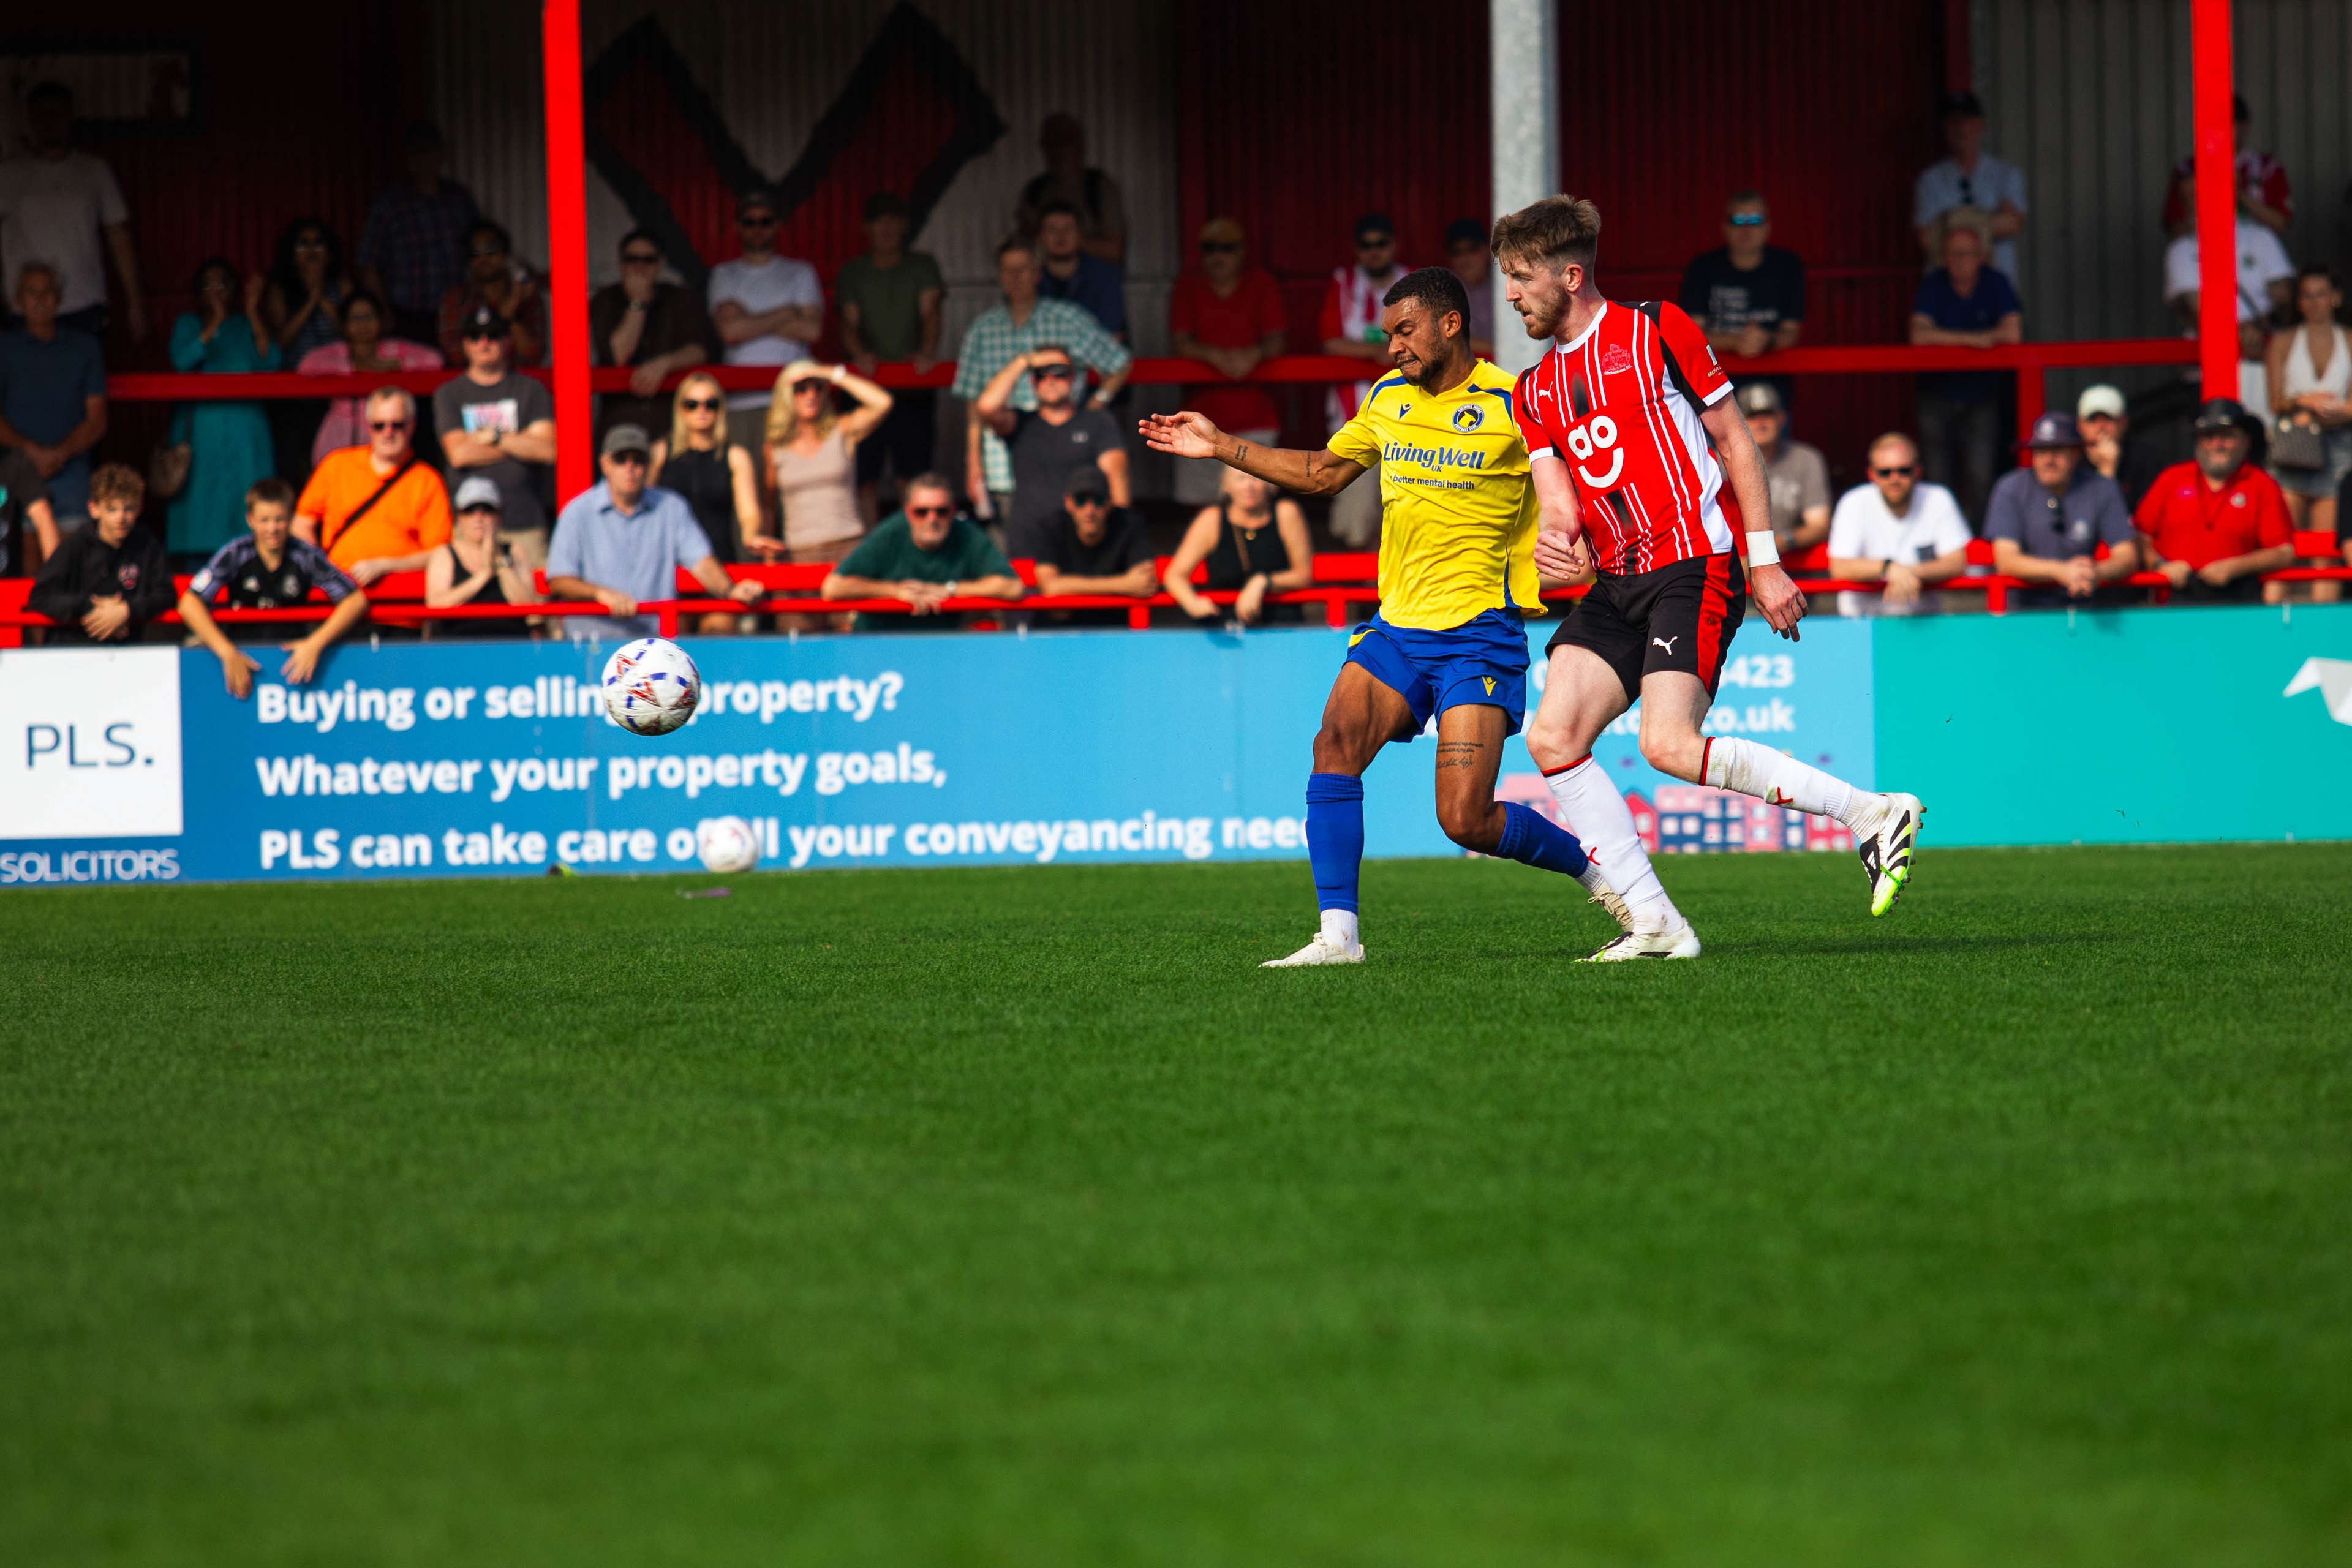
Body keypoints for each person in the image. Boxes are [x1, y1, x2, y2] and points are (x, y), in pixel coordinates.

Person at [1492, 194, 1924, 955]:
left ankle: (1872, 812)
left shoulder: (1656, 328)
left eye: (1521, 277)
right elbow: (1558, 506)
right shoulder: (1532, 390)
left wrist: (1766, 562)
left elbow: (1735, 441)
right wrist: (1555, 544)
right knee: (1553, 735)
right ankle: (1656, 922)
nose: (1510, 294)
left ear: (1570, 275)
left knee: (1667, 743)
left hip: (1694, 563)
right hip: (1616, 581)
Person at [1145, 265, 1611, 968]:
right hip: (1398, 629)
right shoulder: (1388, 397)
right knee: (1333, 744)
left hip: (1479, 634)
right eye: (1388, 334)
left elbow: (1585, 485)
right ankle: (1339, 936)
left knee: (1466, 819)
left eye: (1405, 331)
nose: (1392, 347)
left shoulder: (1517, 401)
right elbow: (1323, 473)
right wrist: (1220, 445)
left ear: (1450, 324)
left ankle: (1601, 876)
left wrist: (1589, 553)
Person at [951, 239, 1131, 519]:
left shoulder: (1068, 319)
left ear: (1038, 274)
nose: (1015, 277)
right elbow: (976, 401)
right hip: (1001, 460)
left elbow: (1119, 363)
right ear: (999, 276)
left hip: (1065, 460)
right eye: (1008, 270)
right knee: (1009, 540)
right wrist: (973, 460)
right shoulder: (982, 330)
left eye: (1023, 269)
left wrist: (1094, 407)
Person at [545, 424, 761, 642]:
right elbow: (559, 579)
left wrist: (730, 590)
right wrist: (601, 594)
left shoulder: (671, 507)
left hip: (653, 643)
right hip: (591, 643)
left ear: (649, 465)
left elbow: (701, 561)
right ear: (605, 464)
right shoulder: (578, 512)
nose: (630, 467)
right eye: (621, 459)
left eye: (638, 460)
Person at [179, 478, 370, 693]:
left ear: (291, 518)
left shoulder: (305, 555)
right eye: (264, 520)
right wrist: (227, 653)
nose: (273, 529)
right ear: (250, 520)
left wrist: (315, 644)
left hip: (293, 664)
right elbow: (189, 603)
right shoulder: (236, 553)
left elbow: (355, 601)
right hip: (243, 660)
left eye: (280, 520)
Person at [0, 81, 146, 342]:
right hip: (24, 307)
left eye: (57, 113)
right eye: (42, 114)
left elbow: (119, 237)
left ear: (69, 117)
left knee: (85, 368)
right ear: (31, 119)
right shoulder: (8, 173)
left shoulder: (94, 170)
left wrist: (135, 304)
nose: (50, 121)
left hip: (84, 302)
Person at [835, 192, 944, 517]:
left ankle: (912, 542)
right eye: (879, 221)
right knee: (863, 478)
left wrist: (927, 353)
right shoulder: (853, 271)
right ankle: (870, 543)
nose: (887, 228)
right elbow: (848, 323)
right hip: (865, 388)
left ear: (904, 225)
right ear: (866, 228)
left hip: (913, 386)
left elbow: (931, 312)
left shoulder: (922, 265)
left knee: (912, 478)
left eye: (893, 220)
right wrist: (859, 355)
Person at [1910, 214, 2023, 525]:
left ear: (1981, 256)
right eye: (1954, 254)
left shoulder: (1995, 282)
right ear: (1944, 258)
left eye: (1967, 253)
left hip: (1981, 396)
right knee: (1938, 479)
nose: (1960, 260)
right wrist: (1977, 340)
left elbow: (2013, 332)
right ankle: (1943, 539)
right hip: (1937, 395)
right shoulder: (1934, 283)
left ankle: (1978, 543)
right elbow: (1919, 335)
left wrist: (1946, 339)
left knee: (1981, 477)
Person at [165, 258, 281, 559]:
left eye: (224, 284)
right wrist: (214, 323)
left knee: (248, 497)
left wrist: (253, 311)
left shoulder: (244, 324)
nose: (216, 291)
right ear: (197, 292)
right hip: (203, 433)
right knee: (201, 505)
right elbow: (182, 361)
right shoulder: (189, 323)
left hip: (245, 430)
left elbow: (271, 362)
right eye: (208, 284)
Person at [1167, 217, 1287, 507]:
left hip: (1255, 418)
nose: (1218, 256)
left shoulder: (1261, 283)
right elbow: (1179, 343)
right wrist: (1217, 357)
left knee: (1255, 510)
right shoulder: (1188, 286)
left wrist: (1252, 355)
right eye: (1210, 249)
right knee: (1202, 512)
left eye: (1227, 248)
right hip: (1198, 420)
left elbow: (1277, 342)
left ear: (1242, 251)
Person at [971, 344, 1130, 559]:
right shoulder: (1021, 423)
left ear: (1073, 377)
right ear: (1032, 381)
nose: (1051, 379)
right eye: (1041, 374)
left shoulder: (1098, 422)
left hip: (1083, 544)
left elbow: (1118, 489)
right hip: (1028, 543)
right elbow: (987, 407)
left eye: (1059, 372)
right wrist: (1023, 361)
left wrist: (1116, 543)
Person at [769, 359, 892, 633]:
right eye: (801, 388)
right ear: (786, 396)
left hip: (848, 549)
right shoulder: (775, 446)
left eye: (818, 387)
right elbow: (769, 508)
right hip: (797, 554)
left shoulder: (842, 429)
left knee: (853, 642)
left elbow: (882, 402)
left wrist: (830, 373)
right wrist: (768, 555)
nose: (811, 394)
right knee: (799, 646)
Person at [2133, 398, 2295, 604]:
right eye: (2209, 436)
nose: (2217, 444)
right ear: (2198, 442)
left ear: (2246, 441)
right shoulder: (2171, 479)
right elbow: (2139, 537)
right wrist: (2161, 565)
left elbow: (2283, 553)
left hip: (2237, 599)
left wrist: (2234, 567)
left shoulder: (2262, 485)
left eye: (2227, 436)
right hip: (2175, 599)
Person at [434, 304, 557, 571]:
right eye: (475, 336)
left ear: (507, 340)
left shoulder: (531, 389)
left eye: (493, 335)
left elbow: (547, 450)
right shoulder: (449, 393)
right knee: (474, 596)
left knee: (532, 597)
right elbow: (459, 454)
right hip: (470, 525)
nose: (484, 343)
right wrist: (521, 441)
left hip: (524, 523)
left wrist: (493, 436)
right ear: (465, 344)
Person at [820, 472, 1023, 631]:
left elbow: (1013, 587)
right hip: (879, 644)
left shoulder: (966, 534)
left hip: (939, 648)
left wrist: (950, 590)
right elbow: (833, 587)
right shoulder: (890, 533)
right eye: (921, 512)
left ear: (952, 511)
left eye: (941, 511)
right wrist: (897, 591)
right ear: (908, 512)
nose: (932, 519)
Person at [2162, 176, 2293, 417]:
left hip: (2264, 360)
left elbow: (2284, 296)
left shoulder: (2260, 237)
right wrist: (2239, 332)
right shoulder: (2181, 249)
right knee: (2216, 434)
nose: (2195, 202)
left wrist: (2261, 330)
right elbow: (2194, 308)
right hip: (2209, 368)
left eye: (2200, 193)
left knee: (2268, 434)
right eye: (2188, 197)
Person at [293, 387, 452, 585]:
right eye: (379, 426)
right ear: (368, 427)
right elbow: (302, 524)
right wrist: (321, 570)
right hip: (341, 590)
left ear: (412, 425)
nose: (388, 432)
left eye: (397, 425)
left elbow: (439, 553)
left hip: (402, 592)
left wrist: (387, 566)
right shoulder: (336, 465)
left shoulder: (428, 480)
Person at [708, 187, 824, 458]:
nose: (758, 229)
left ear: (777, 225)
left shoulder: (800, 272)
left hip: (793, 401)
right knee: (744, 479)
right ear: (738, 227)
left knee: (792, 483)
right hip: (739, 401)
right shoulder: (724, 274)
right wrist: (788, 313)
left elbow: (812, 330)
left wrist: (747, 319)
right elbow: (729, 332)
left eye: (765, 221)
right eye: (750, 222)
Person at [1983, 413, 2140, 610]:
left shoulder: (2101, 487)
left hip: (2085, 609)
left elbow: (2127, 557)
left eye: (2057, 450)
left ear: (2076, 453)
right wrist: (2061, 571)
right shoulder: (2011, 487)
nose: (2049, 459)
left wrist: (2095, 572)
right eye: (2041, 450)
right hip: (2024, 613)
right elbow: (2006, 560)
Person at [1319, 214, 1408, 548]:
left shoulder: (1413, 281)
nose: (1374, 251)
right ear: (1357, 250)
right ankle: (1358, 582)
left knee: (1403, 514)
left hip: (1410, 417)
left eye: (1381, 244)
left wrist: (1377, 351)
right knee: (1357, 513)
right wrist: (1378, 351)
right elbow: (1330, 342)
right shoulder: (1342, 282)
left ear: (1394, 246)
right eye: (1366, 245)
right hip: (1352, 416)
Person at [0, 260, 107, 527]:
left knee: (75, 546)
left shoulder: (85, 348)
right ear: (18, 300)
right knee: (21, 546)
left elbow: (97, 420)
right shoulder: (4, 349)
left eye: (47, 292)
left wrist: (58, 454)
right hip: (17, 470)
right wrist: (32, 452)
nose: (39, 300)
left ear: (59, 299)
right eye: (31, 292)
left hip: (72, 471)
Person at [356, 122, 480, 347]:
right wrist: (383, 311)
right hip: (405, 316)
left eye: (429, 150)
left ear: (441, 155)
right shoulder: (389, 205)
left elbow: (480, 251)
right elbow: (368, 265)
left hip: (456, 312)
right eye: (417, 152)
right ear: (407, 158)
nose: (424, 159)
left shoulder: (459, 200)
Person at [1679, 191, 1804, 409]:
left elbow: (1791, 332)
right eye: (1737, 220)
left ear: (1768, 227)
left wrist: (1766, 340)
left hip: (1773, 385)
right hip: (1713, 386)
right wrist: (1737, 342)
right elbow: (1691, 334)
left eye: (1755, 220)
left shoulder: (1787, 266)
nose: (1746, 229)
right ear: (1724, 227)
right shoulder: (1703, 268)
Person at [589, 228, 718, 439]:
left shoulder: (681, 299)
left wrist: (665, 363)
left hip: (670, 420)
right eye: (632, 259)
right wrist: (637, 303)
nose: (640, 266)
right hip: (621, 420)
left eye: (648, 260)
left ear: (660, 264)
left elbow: (701, 350)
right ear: (621, 263)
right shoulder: (604, 300)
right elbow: (618, 355)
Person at [1826, 432, 1973, 617]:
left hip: (1924, 621)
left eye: (1904, 471)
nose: (1895, 479)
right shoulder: (1853, 502)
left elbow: (1957, 562)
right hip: (1863, 622)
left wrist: (1910, 572)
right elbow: (1839, 566)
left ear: (1917, 471)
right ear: (1872, 475)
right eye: (1885, 472)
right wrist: (1889, 568)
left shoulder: (1938, 498)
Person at [649, 371, 769, 583]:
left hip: (720, 561)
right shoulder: (660, 453)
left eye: (710, 404)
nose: (701, 410)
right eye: (692, 404)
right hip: (671, 564)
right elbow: (644, 507)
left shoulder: (736, 456)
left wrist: (751, 536)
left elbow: (749, 513)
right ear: (680, 409)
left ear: (720, 409)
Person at [29, 464, 170, 643]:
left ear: (140, 508)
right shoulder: (75, 545)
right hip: (72, 650)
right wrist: (90, 608)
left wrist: (127, 610)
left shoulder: (147, 545)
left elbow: (166, 594)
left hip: (126, 651)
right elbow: (40, 597)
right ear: (94, 509)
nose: (121, 518)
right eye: (112, 509)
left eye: (129, 508)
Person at [299, 288, 441, 466]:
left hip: (386, 434)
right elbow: (306, 365)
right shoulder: (337, 351)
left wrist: (394, 365)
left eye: (369, 316)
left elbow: (435, 360)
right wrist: (357, 367)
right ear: (345, 324)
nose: (363, 324)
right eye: (356, 318)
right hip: (339, 438)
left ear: (381, 320)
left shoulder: (393, 349)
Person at [2263, 265, 2352, 541]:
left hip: (2339, 443)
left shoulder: (2349, 340)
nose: (2315, 302)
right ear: (2299, 302)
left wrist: (2334, 410)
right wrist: (2304, 401)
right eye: (2307, 295)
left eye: (2321, 294)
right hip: (2294, 443)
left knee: (2327, 545)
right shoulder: (2282, 341)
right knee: (2281, 542)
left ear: (2336, 297)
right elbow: (2275, 403)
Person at [1161, 467, 1312, 626]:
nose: (1249, 486)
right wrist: (1192, 603)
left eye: (1256, 478)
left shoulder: (1286, 512)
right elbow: (1174, 576)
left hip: (1282, 626)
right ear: (1226, 486)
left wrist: (1262, 582)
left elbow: (1303, 575)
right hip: (1223, 626)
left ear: (1270, 484)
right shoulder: (1212, 519)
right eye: (1241, 479)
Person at [1914, 89, 2026, 281]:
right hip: (1946, 287)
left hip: (1997, 286)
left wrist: (1948, 224)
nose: (1960, 128)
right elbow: (1926, 238)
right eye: (1953, 122)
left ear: (1979, 125)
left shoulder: (2006, 174)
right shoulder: (1930, 180)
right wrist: (1991, 221)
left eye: (1966, 121)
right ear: (1944, 128)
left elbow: (2014, 224)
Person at [1033, 464, 1157, 626]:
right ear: (1069, 503)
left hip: (1116, 629)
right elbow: (1051, 587)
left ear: (1109, 503)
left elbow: (1145, 582)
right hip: (1062, 631)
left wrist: (1069, 587)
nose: (1090, 510)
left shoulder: (1129, 524)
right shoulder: (1051, 527)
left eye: (1098, 501)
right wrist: (1126, 584)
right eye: (1081, 501)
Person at [424, 475, 541, 639]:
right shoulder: (445, 554)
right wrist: (484, 575)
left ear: (499, 515)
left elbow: (528, 609)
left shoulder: (514, 551)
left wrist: (499, 561)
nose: (478, 517)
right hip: (460, 645)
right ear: (459, 516)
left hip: (510, 644)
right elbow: (435, 607)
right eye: (470, 510)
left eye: (486, 510)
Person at [2162, 95, 2290, 239]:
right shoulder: (2187, 169)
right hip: (2203, 249)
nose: (2218, 131)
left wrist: (2239, 193)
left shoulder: (2268, 168)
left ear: (2244, 126)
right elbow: (2174, 229)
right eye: (2212, 124)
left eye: (2226, 124)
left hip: (2256, 250)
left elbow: (2282, 224)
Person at [1015, 115, 1126, 268]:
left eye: (1065, 144)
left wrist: (1066, 239)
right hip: (1047, 279)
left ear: (1079, 147)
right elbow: (1022, 253)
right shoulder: (1036, 190)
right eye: (1052, 146)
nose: (1059, 152)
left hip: (1094, 280)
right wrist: (1034, 229)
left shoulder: (1098, 187)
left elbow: (1115, 251)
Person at [435, 221, 546, 368]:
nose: (483, 258)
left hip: (519, 380)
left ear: (506, 254)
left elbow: (533, 356)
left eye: (491, 250)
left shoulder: (527, 298)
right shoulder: (457, 298)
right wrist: (499, 319)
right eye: (474, 253)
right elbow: (455, 355)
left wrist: (512, 316)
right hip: (471, 381)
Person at [1735, 383, 1830, 554]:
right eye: (1751, 415)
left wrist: (1781, 542)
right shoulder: (1718, 462)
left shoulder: (1805, 459)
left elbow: (1819, 525)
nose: (1760, 423)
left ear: (1781, 418)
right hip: (1733, 560)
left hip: (1786, 560)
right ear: (1737, 421)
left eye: (1767, 414)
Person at [261, 217, 356, 363]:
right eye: (303, 244)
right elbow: (279, 344)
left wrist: (322, 299)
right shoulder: (280, 290)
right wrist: (311, 302)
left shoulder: (343, 286)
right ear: (292, 256)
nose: (311, 250)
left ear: (330, 255)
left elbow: (355, 336)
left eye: (318, 243)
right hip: (295, 370)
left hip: (339, 368)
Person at [1036, 201, 1128, 342]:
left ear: (1080, 235)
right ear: (1040, 237)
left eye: (1068, 229)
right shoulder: (1030, 277)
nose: (1061, 237)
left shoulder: (1104, 275)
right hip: (1042, 353)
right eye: (1053, 230)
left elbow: (1111, 331)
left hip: (1096, 354)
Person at [2075, 385, 2168, 513]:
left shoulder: (2145, 459)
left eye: (2108, 419)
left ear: (2123, 423)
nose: (2101, 427)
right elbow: (2088, 518)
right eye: (2093, 420)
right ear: (2080, 425)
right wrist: (2107, 469)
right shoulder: (2071, 461)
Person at [1, 443, 58, 576]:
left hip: (6, 584)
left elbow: (43, 516)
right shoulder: (16, 460)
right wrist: (56, 577)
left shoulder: (15, 460)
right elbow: (43, 516)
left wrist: (56, 576)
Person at [1445, 218, 1497, 358]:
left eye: (1473, 249)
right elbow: (1448, 341)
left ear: (1488, 250)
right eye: (1457, 252)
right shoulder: (1445, 290)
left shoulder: (1506, 282)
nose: (1465, 258)